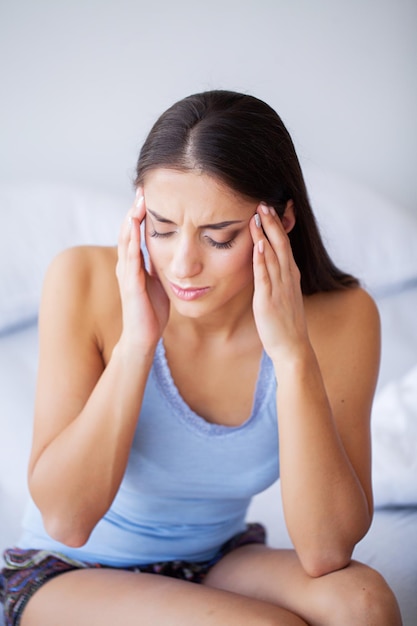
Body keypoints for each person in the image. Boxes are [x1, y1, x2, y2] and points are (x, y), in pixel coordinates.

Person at [1, 90, 402, 626]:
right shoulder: (81, 280)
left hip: (216, 559)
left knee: (364, 603)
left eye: (218, 237)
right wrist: (137, 343)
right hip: (69, 569)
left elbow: (326, 552)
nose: (182, 265)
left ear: (281, 219)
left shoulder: (344, 317)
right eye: (161, 229)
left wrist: (292, 355)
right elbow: (67, 519)